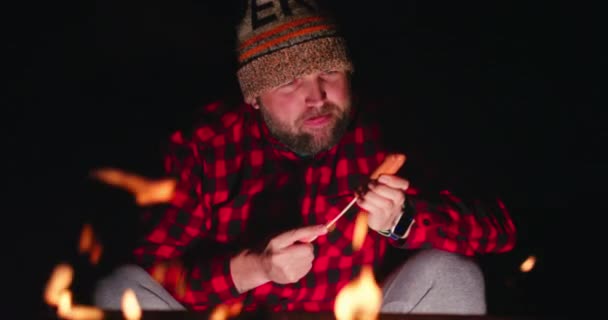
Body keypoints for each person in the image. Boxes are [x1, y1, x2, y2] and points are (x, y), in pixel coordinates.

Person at [93, 0, 516, 315]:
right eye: (290, 81)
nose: (317, 98)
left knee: (454, 275)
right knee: (118, 290)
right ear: (255, 96)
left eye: (329, 73)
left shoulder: (388, 130)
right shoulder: (205, 144)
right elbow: (155, 264)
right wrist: (254, 268)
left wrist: (402, 221)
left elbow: (500, 230)